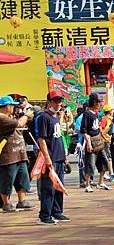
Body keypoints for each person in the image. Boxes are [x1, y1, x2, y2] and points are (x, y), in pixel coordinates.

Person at [36, 91, 70, 225]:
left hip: (59, 156)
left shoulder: (56, 116)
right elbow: (41, 139)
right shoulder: (43, 117)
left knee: (59, 186)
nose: (58, 104)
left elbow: (59, 137)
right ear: (49, 102)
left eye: (60, 101)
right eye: (55, 101)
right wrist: (47, 158)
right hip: (50, 157)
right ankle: (44, 215)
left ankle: (57, 211)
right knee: (48, 187)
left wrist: (64, 155)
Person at [0, 95, 34, 212]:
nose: (14, 108)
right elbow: (19, 124)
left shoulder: (9, 117)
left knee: (22, 178)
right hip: (8, 156)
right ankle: (6, 203)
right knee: (7, 180)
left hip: (19, 153)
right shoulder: (1, 118)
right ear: (6, 107)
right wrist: (26, 115)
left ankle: (22, 200)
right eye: (12, 106)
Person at [80, 93, 112, 192]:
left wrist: (103, 138)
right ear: (94, 102)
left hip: (99, 141)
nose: (99, 104)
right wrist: (88, 143)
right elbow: (84, 130)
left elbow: (98, 128)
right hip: (91, 141)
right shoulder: (87, 114)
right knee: (90, 164)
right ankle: (87, 185)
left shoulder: (96, 113)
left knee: (104, 162)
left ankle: (100, 182)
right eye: (98, 102)